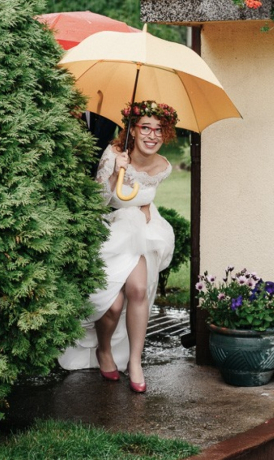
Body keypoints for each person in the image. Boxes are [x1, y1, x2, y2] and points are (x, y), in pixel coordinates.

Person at [59, 100, 178, 393]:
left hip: (139, 232)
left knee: (137, 290)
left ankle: (135, 361)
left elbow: (144, 197)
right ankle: (104, 349)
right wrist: (114, 172)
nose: (152, 136)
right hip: (109, 230)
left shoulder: (163, 165)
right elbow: (99, 201)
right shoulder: (114, 153)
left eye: (158, 130)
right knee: (111, 306)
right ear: (132, 131)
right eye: (145, 128)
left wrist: (146, 209)